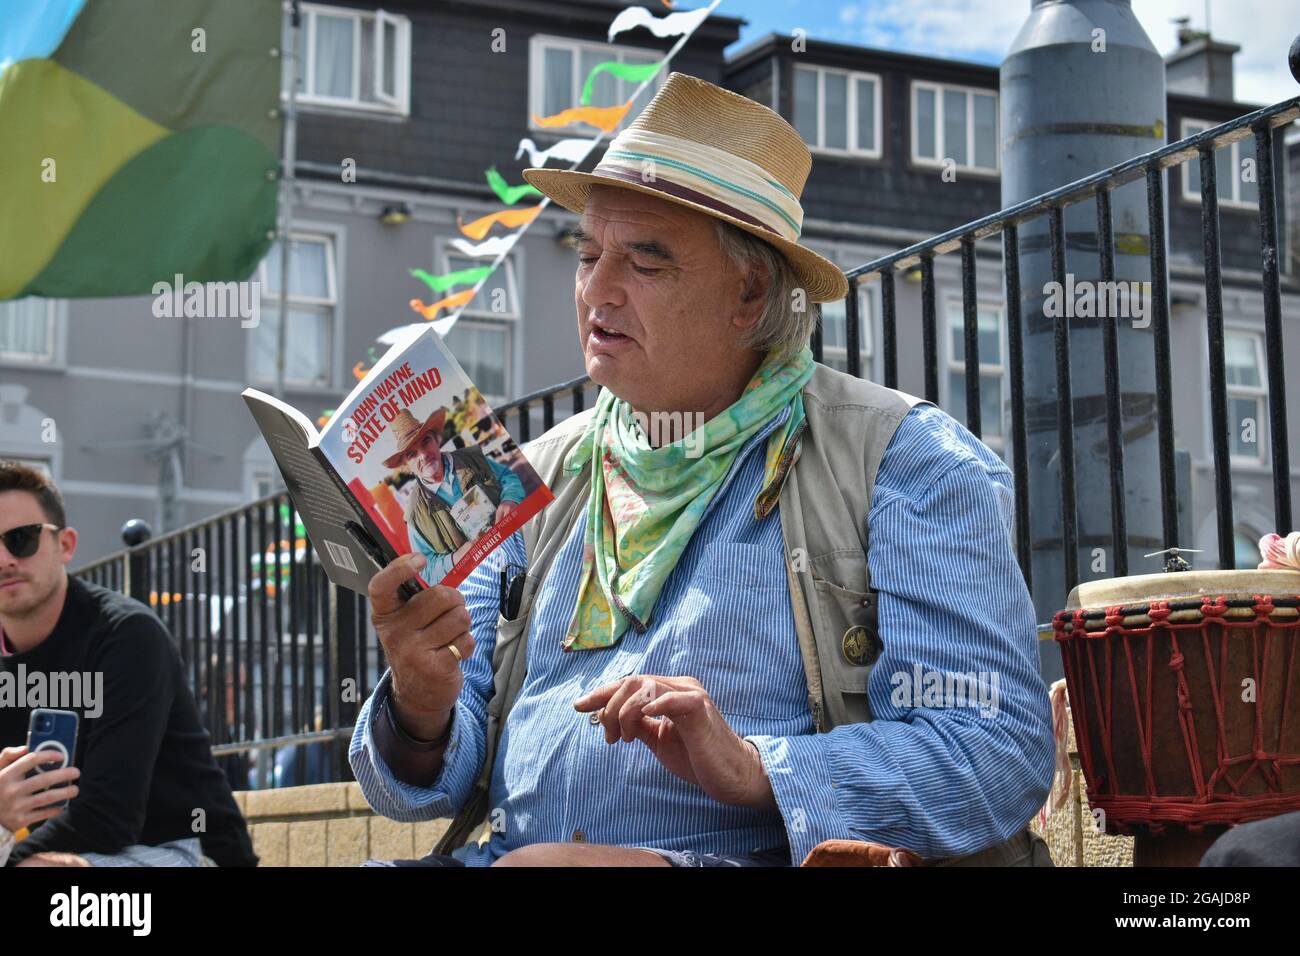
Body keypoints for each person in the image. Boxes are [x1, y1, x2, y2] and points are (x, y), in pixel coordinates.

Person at [349, 72, 1054, 867]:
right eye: (587, 255)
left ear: (750, 293)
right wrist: (420, 703)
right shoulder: (532, 477)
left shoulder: (906, 460)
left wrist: (760, 770)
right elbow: (423, 782)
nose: (597, 292)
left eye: (645, 263)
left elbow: (995, 749)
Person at [0, 461, 257, 867]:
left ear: (65, 545)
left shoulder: (125, 635)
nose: (4, 559)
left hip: (183, 850)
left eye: (22, 539)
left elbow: (109, 815)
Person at [383, 407, 525, 586]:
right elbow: (425, 569)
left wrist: (510, 499)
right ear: (407, 466)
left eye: (426, 442)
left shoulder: (473, 458)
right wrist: (456, 558)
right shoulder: (413, 514)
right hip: (475, 583)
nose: (423, 455)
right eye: (412, 454)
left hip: (515, 547)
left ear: (437, 440)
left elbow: (507, 477)